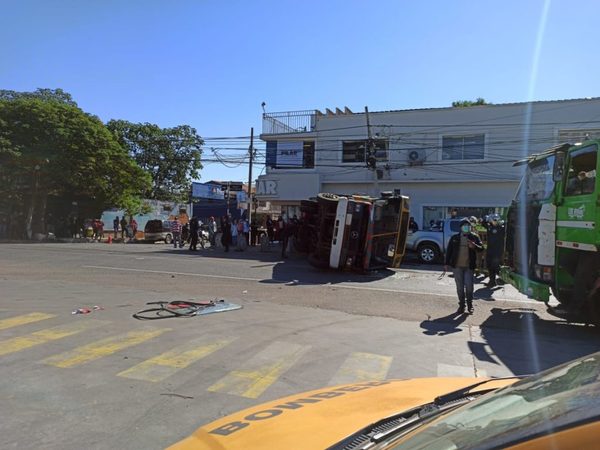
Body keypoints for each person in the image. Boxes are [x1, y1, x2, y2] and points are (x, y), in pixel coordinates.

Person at [444, 218, 484, 314]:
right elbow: (449, 251)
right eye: (465, 226)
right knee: (460, 287)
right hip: (457, 267)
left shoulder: (474, 237)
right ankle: (462, 305)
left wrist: (474, 246)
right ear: (461, 227)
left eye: (468, 226)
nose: (467, 227)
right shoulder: (455, 238)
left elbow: (481, 249)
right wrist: (446, 264)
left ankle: (470, 305)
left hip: (469, 267)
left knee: (469, 286)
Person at [484, 214, 506, 287]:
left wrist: (502, 223)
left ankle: (502, 279)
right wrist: (487, 218)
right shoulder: (489, 227)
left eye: (496, 220)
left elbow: (505, 226)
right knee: (489, 265)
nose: (495, 221)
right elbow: (483, 223)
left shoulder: (501, 228)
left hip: (497, 251)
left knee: (495, 266)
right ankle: (492, 281)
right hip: (490, 250)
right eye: (494, 220)